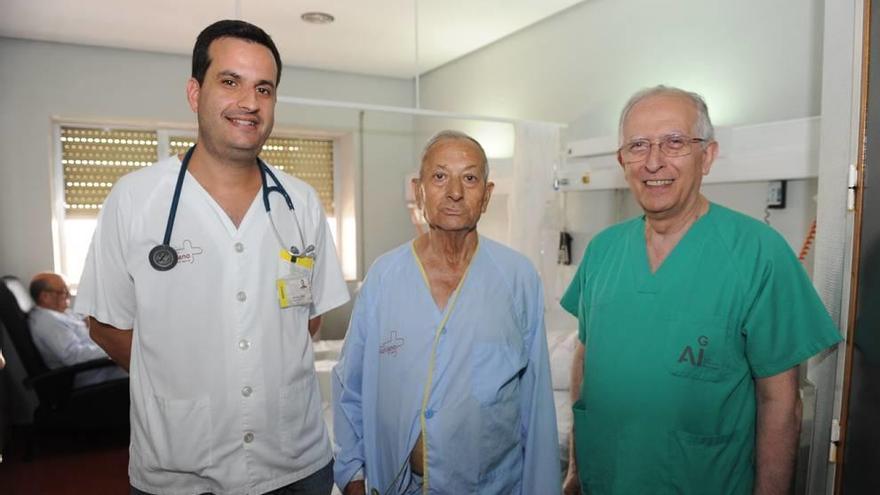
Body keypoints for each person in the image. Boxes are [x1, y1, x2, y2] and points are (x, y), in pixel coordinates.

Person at [74, 20, 349, 495]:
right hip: (180, 470)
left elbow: (308, 320)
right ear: (194, 91)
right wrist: (175, 384)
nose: (249, 102)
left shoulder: (300, 203)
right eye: (230, 82)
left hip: (297, 464)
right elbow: (107, 325)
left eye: (264, 88)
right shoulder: (136, 199)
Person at [560, 85, 842, 495]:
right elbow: (585, 361)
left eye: (674, 142)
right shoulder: (603, 251)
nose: (654, 162)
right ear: (622, 161)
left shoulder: (758, 254)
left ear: (706, 156)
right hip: (606, 477)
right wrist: (576, 467)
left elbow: (780, 404)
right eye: (638, 146)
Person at [332, 130, 561, 495]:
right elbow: (350, 387)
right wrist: (352, 477)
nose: (455, 191)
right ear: (418, 189)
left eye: (470, 178)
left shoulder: (518, 278)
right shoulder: (383, 277)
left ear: (486, 195)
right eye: (439, 177)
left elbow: (536, 408)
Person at [28, 272, 127, 387]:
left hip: (101, 365)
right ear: (45, 297)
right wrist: (114, 348)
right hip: (92, 374)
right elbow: (74, 356)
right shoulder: (48, 322)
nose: (68, 295)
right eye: (63, 292)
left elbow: (82, 319)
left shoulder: (60, 312)